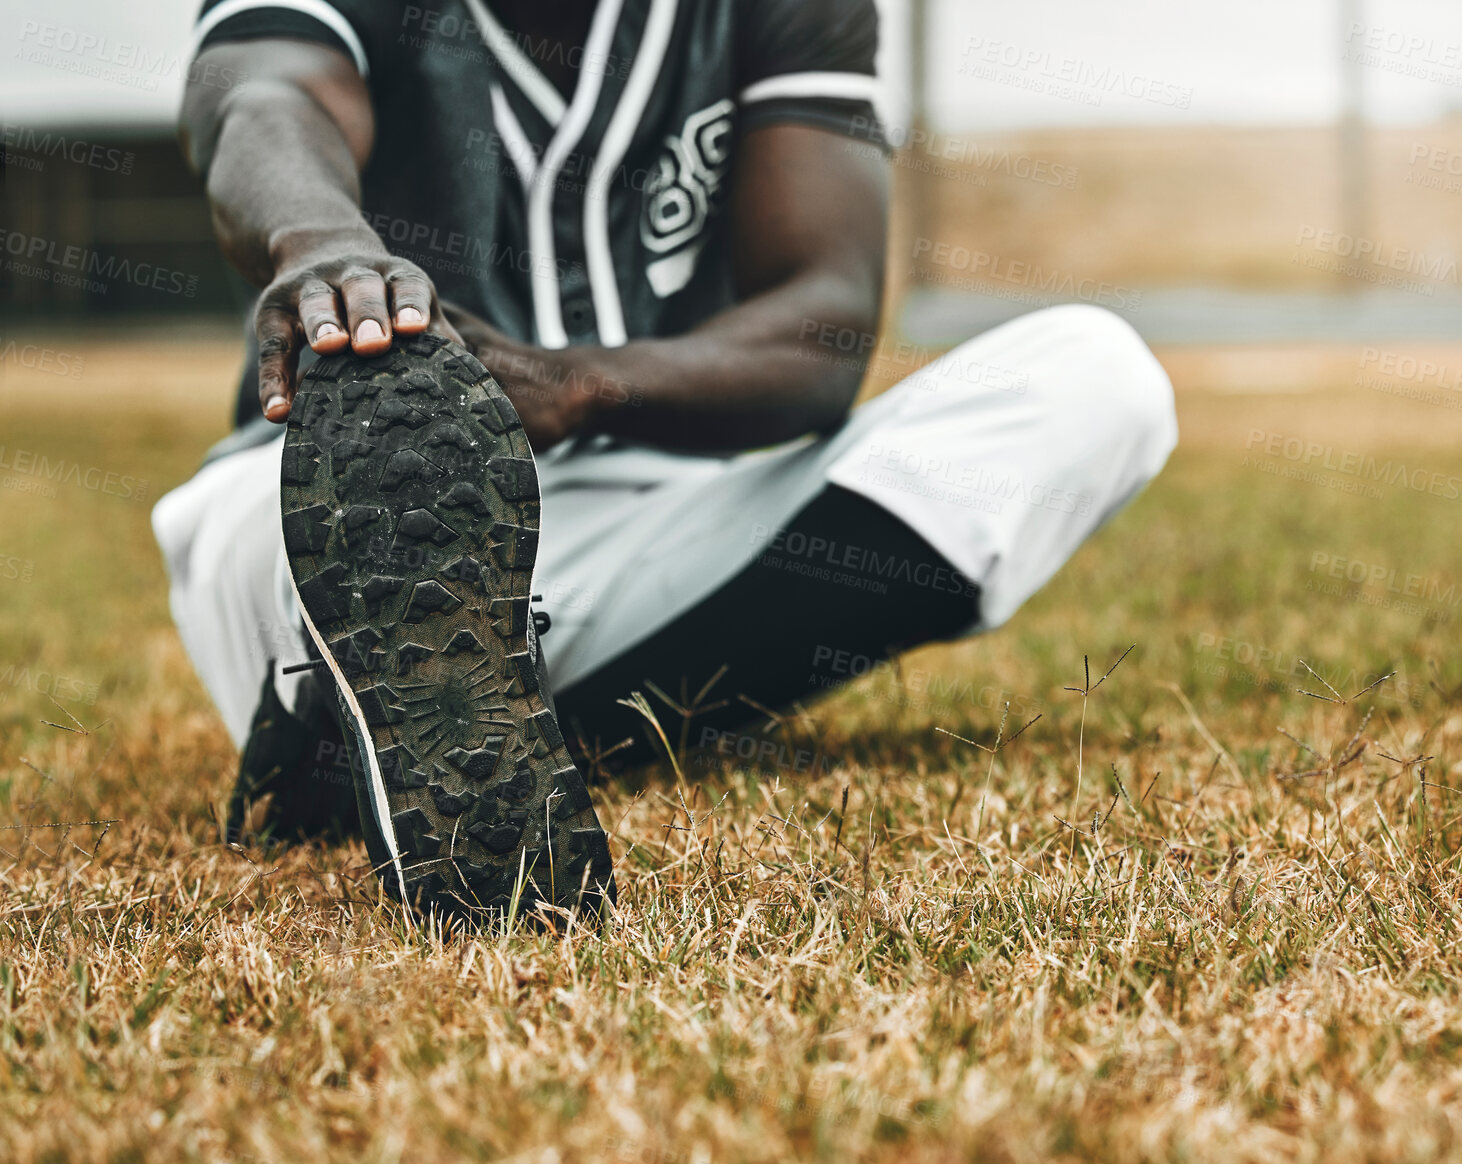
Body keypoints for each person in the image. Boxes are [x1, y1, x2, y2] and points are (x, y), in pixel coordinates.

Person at [152, 0, 1179, 918]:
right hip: (318, 524)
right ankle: (375, 692)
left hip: (647, 518)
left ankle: (388, 739)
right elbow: (261, 96)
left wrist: (577, 385)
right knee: (357, 554)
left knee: (1096, 378)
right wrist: (323, 246)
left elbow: (824, 328)